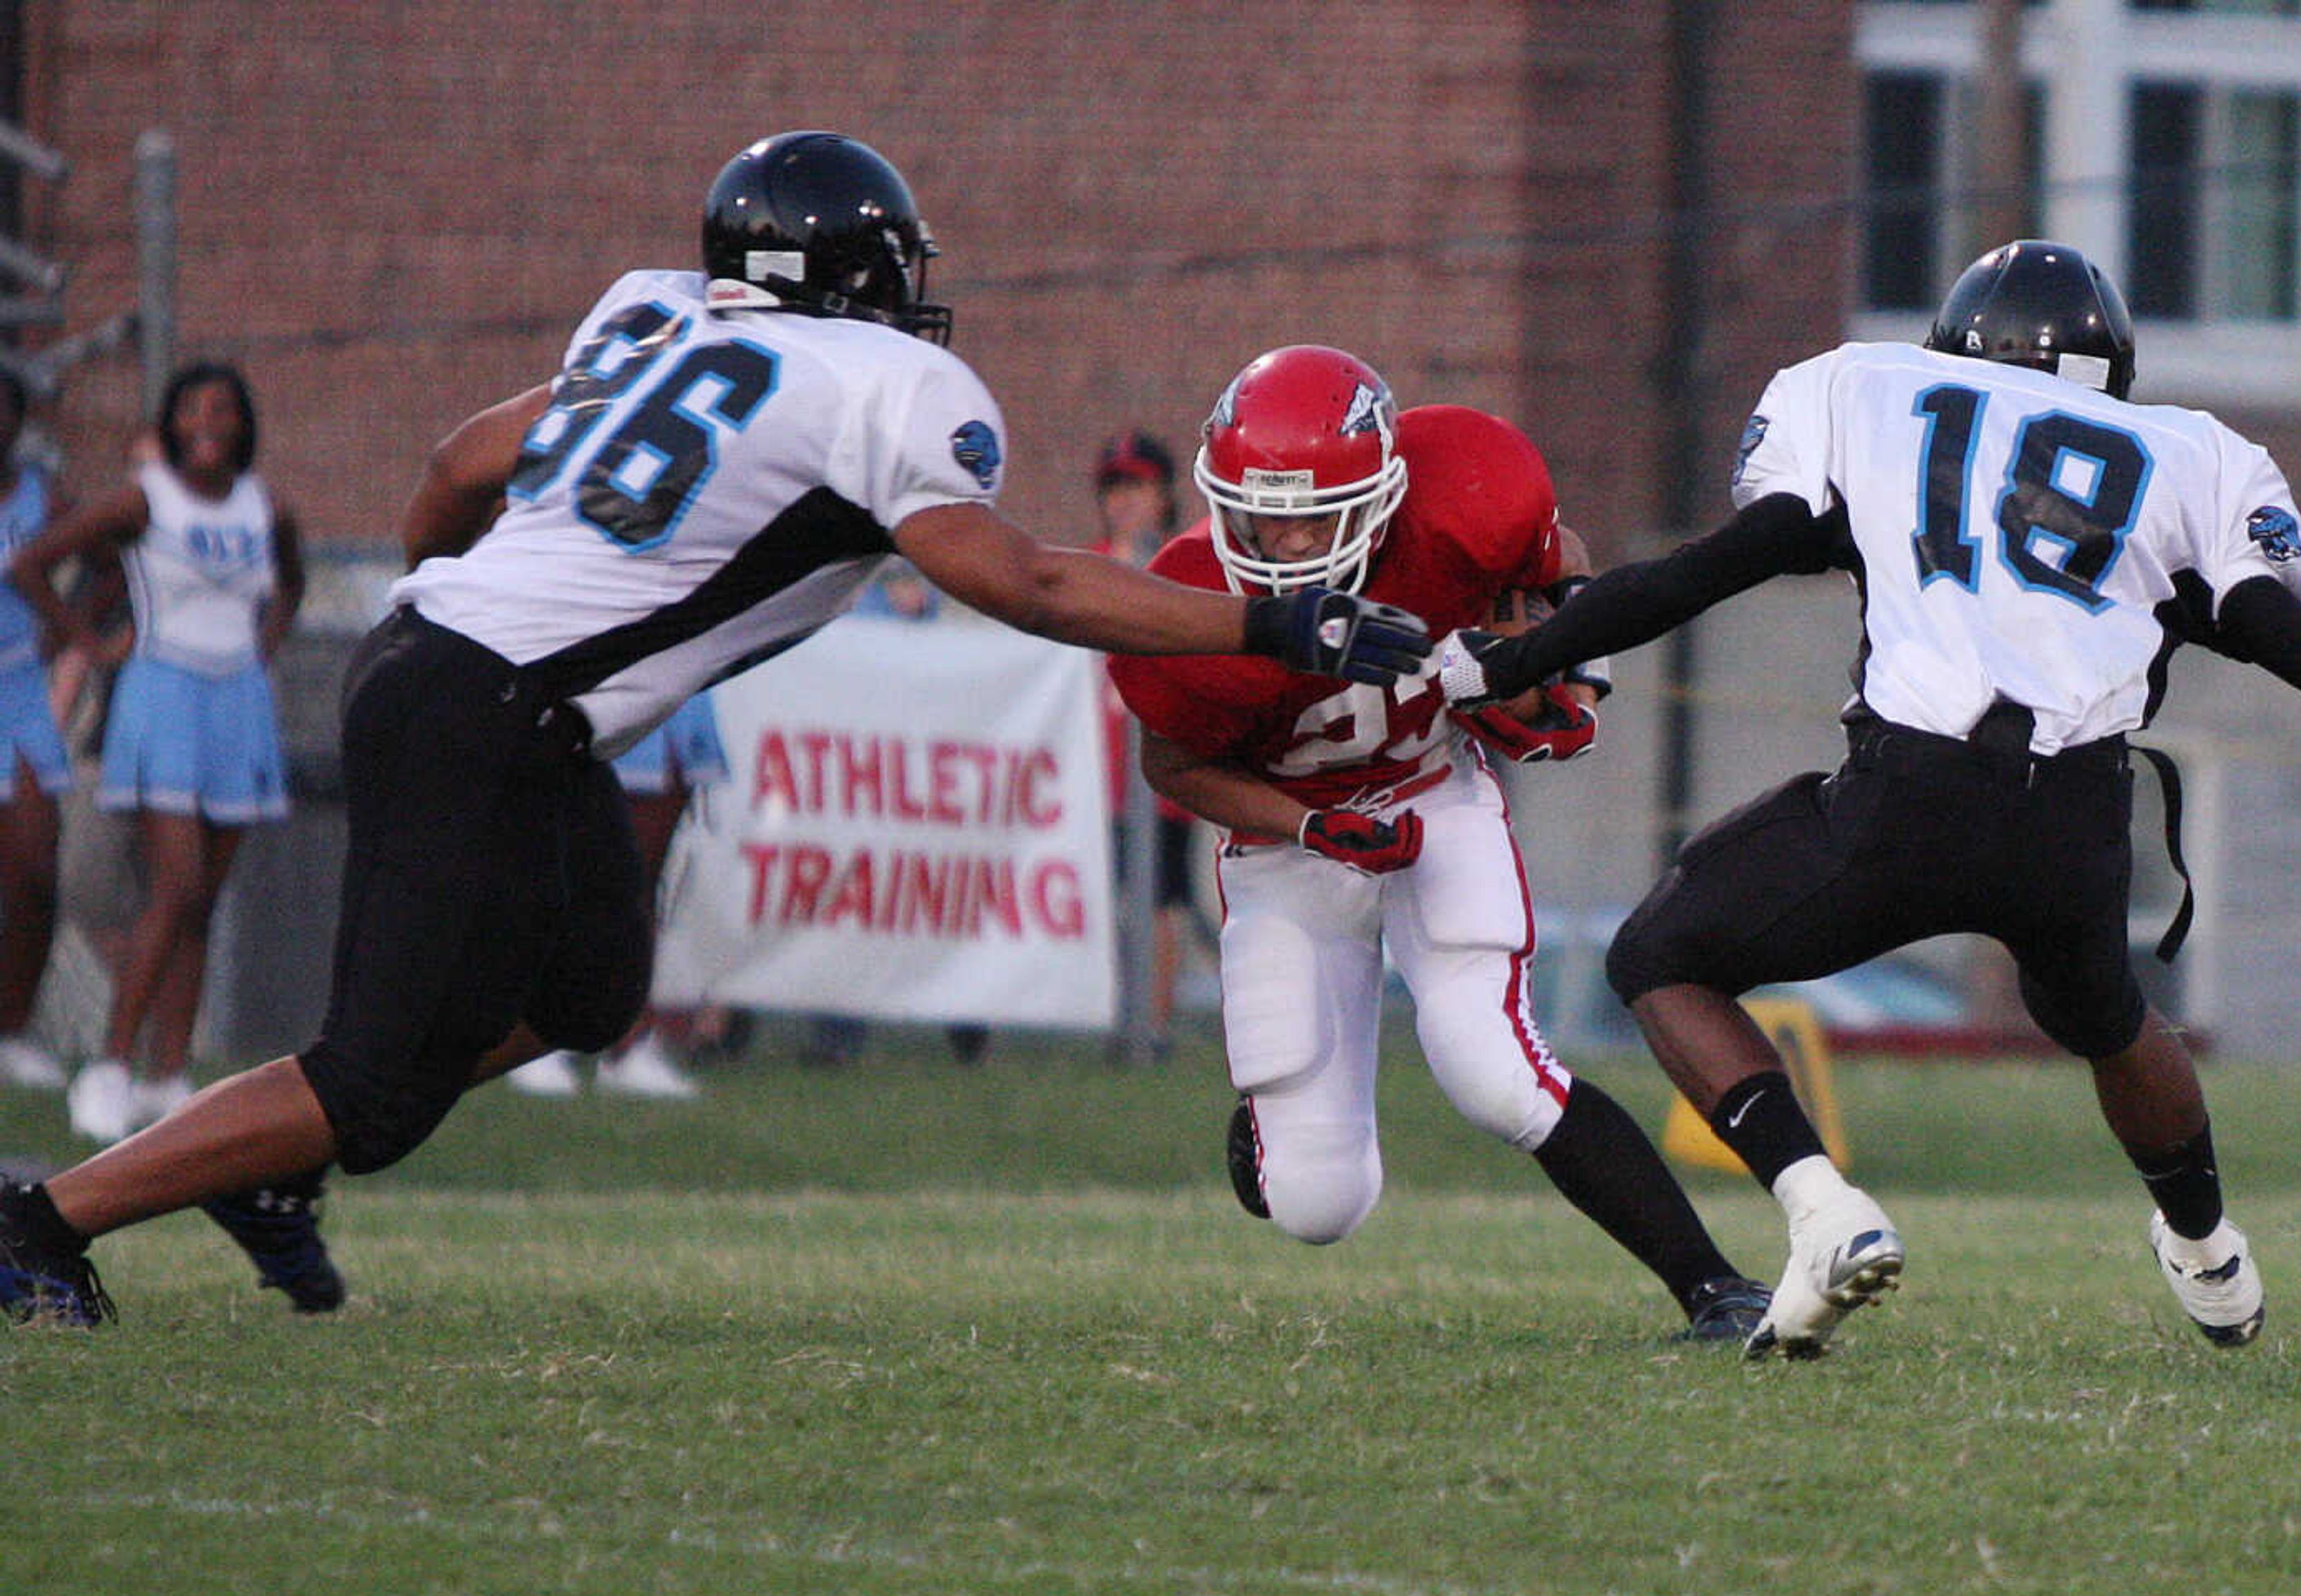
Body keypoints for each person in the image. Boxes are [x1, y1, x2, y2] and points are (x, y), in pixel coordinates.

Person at [0, 131, 1427, 1328]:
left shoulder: (654, 313)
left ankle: (269, 1150)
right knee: (365, 1082)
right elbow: (1030, 582)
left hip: (462, 673)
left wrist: (450, 599)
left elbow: (454, 466)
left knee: (589, 988)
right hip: (492, 705)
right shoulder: (885, 385)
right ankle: (45, 1217)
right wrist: (1278, 625)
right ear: (854, 282)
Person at [1436, 240, 2301, 1359]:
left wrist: (1504, 663)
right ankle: (2205, 1244)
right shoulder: (2197, 455)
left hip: (1910, 791)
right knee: (2102, 1014)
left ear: (1958, 344)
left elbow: (1698, 572)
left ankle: (1819, 1207)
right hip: (2075, 823)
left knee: (1660, 955)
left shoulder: (1866, 391)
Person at [1107, 344, 1771, 1344]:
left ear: (1381, 491)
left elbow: (1558, 560)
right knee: (1318, 1204)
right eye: (1259, 511)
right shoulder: (1190, 592)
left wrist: (1572, 670)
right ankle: (1270, 1123)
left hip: (1432, 800)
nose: (1282, 541)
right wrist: (1307, 823)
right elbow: (1171, 767)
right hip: (1289, 846)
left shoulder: (1466, 494)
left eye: (1309, 513)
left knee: (1496, 1068)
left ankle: (1715, 1288)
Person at [6, 361, 342, 1315]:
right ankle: (110, 1065)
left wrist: (269, 635)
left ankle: (168, 1073)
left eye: (225, 411)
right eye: (194, 410)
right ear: (172, 421)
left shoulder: (260, 502)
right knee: (178, 886)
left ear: (245, 426)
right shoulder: (142, 497)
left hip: (237, 698)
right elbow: (32, 564)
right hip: (160, 696)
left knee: (207, 899)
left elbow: (290, 574)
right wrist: (90, 639)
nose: (209, 424)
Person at [503, 691, 726, 1099]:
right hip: (593, 695)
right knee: (564, 876)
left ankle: (630, 1042)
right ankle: (533, 1037)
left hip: (674, 704)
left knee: (642, 887)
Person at [1090, 428, 1203, 1059]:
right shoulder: (1090, 562)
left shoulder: (1182, 563)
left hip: (1162, 773)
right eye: (1114, 488)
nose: (1124, 501)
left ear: (1163, 495)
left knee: (1163, 903)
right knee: (1109, 903)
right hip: (1097, 770)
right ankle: (1111, 1016)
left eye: (1136, 486)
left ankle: (1152, 1028)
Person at [0, 366, 75, 1090]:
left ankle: (13, 1032)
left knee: (33, 868)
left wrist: (71, 629)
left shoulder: (42, 499)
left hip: (18, 688)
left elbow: (113, 550)